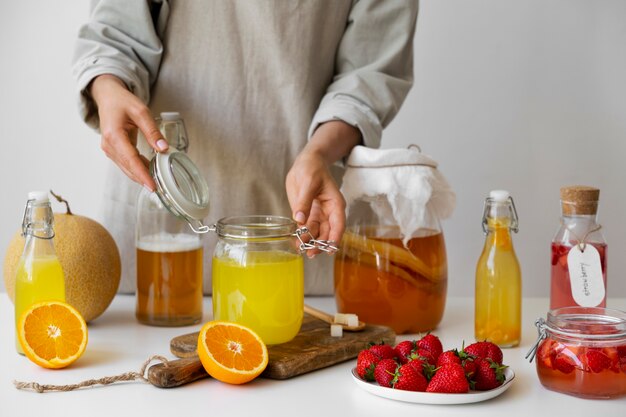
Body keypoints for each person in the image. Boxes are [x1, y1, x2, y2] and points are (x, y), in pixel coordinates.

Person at [72, 0, 418, 295]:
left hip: (304, 241)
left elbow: (371, 72)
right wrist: (107, 88)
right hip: (155, 237)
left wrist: (319, 154)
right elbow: (116, 28)